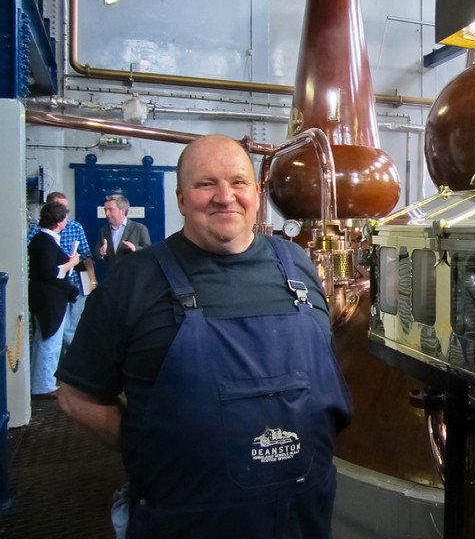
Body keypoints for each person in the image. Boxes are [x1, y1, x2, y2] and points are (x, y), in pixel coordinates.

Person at [57, 134, 352, 539]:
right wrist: (147, 447)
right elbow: (76, 397)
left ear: (257, 192)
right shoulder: (135, 280)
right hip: (185, 521)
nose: (224, 196)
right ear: (181, 199)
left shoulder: (298, 266)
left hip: (301, 518)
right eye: (205, 184)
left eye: (238, 182)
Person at [28, 191, 97, 358]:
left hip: (74, 285)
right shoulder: (38, 235)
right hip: (51, 290)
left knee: (73, 328)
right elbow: (43, 268)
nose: (66, 212)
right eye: (62, 208)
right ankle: (56, 375)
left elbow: (86, 257)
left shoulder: (75, 227)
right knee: (56, 332)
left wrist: (92, 283)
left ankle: (71, 366)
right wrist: (69, 263)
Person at [28, 201, 80, 398]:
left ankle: (39, 383)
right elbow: (50, 272)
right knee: (49, 341)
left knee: (44, 340)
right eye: (65, 218)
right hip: (49, 299)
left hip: (45, 297)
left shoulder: (42, 240)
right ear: (59, 222)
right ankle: (45, 385)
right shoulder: (47, 242)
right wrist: (71, 263)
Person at [95, 194, 151, 267]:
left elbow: (149, 253)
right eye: (105, 210)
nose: (107, 213)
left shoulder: (139, 228)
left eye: (110, 209)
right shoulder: (103, 231)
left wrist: (135, 248)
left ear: (122, 211)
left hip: (133, 276)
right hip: (112, 276)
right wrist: (101, 253)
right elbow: (96, 257)